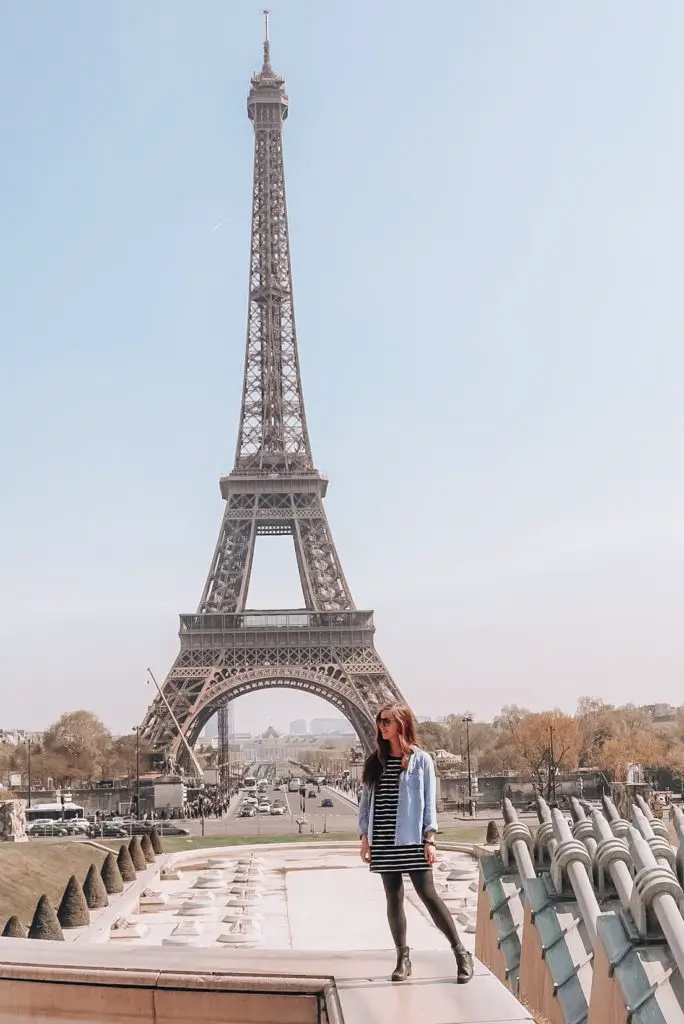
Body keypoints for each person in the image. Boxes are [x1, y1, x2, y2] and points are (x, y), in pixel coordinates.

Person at [358, 701, 474, 984]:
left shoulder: (421, 760)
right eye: (380, 721)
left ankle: (460, 953)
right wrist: (365, 838)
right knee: (393, 899)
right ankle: (403, 958)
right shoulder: (374, 762)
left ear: (402, 723)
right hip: (383, 840)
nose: (382, 726)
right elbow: (365, 804)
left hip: (410, 839)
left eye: (387, 721)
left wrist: (429, 838)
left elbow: (428, 804)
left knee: (428, 895)